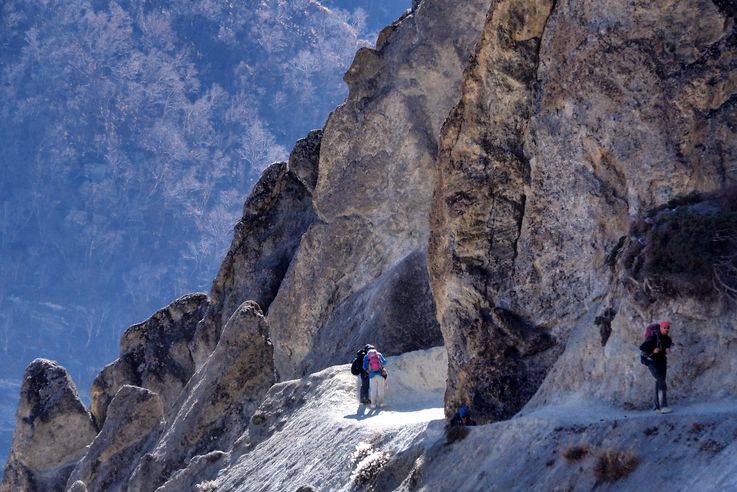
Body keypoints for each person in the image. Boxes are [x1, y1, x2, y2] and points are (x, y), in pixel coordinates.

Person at [639, 321, 673, 413]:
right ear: (660, 328)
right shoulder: (653, 338)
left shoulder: (668, 339)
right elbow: (642, 347)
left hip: (662, 361)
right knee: (662, 382)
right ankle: (664, 406)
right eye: (664, 327)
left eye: (668, 328)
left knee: (659, 382)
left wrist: (667, 349)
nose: (666, 329)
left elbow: (666, 346)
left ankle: (656, 407)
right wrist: (653, 350)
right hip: (651, 362)